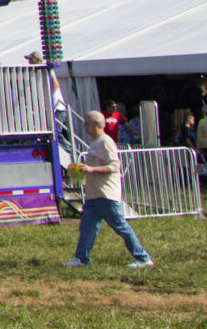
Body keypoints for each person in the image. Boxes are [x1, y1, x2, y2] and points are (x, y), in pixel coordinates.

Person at [63, 110, 153, 269]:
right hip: (94, 196)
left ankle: (143, 258)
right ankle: (81, 259)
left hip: (106, 196)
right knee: (87, 229)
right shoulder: (95, 142)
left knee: (121, 227)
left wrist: (91, 169)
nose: (84, 126)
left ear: (97, 124)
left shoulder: (106, 142)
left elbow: (115, 165)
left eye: (87, 123)